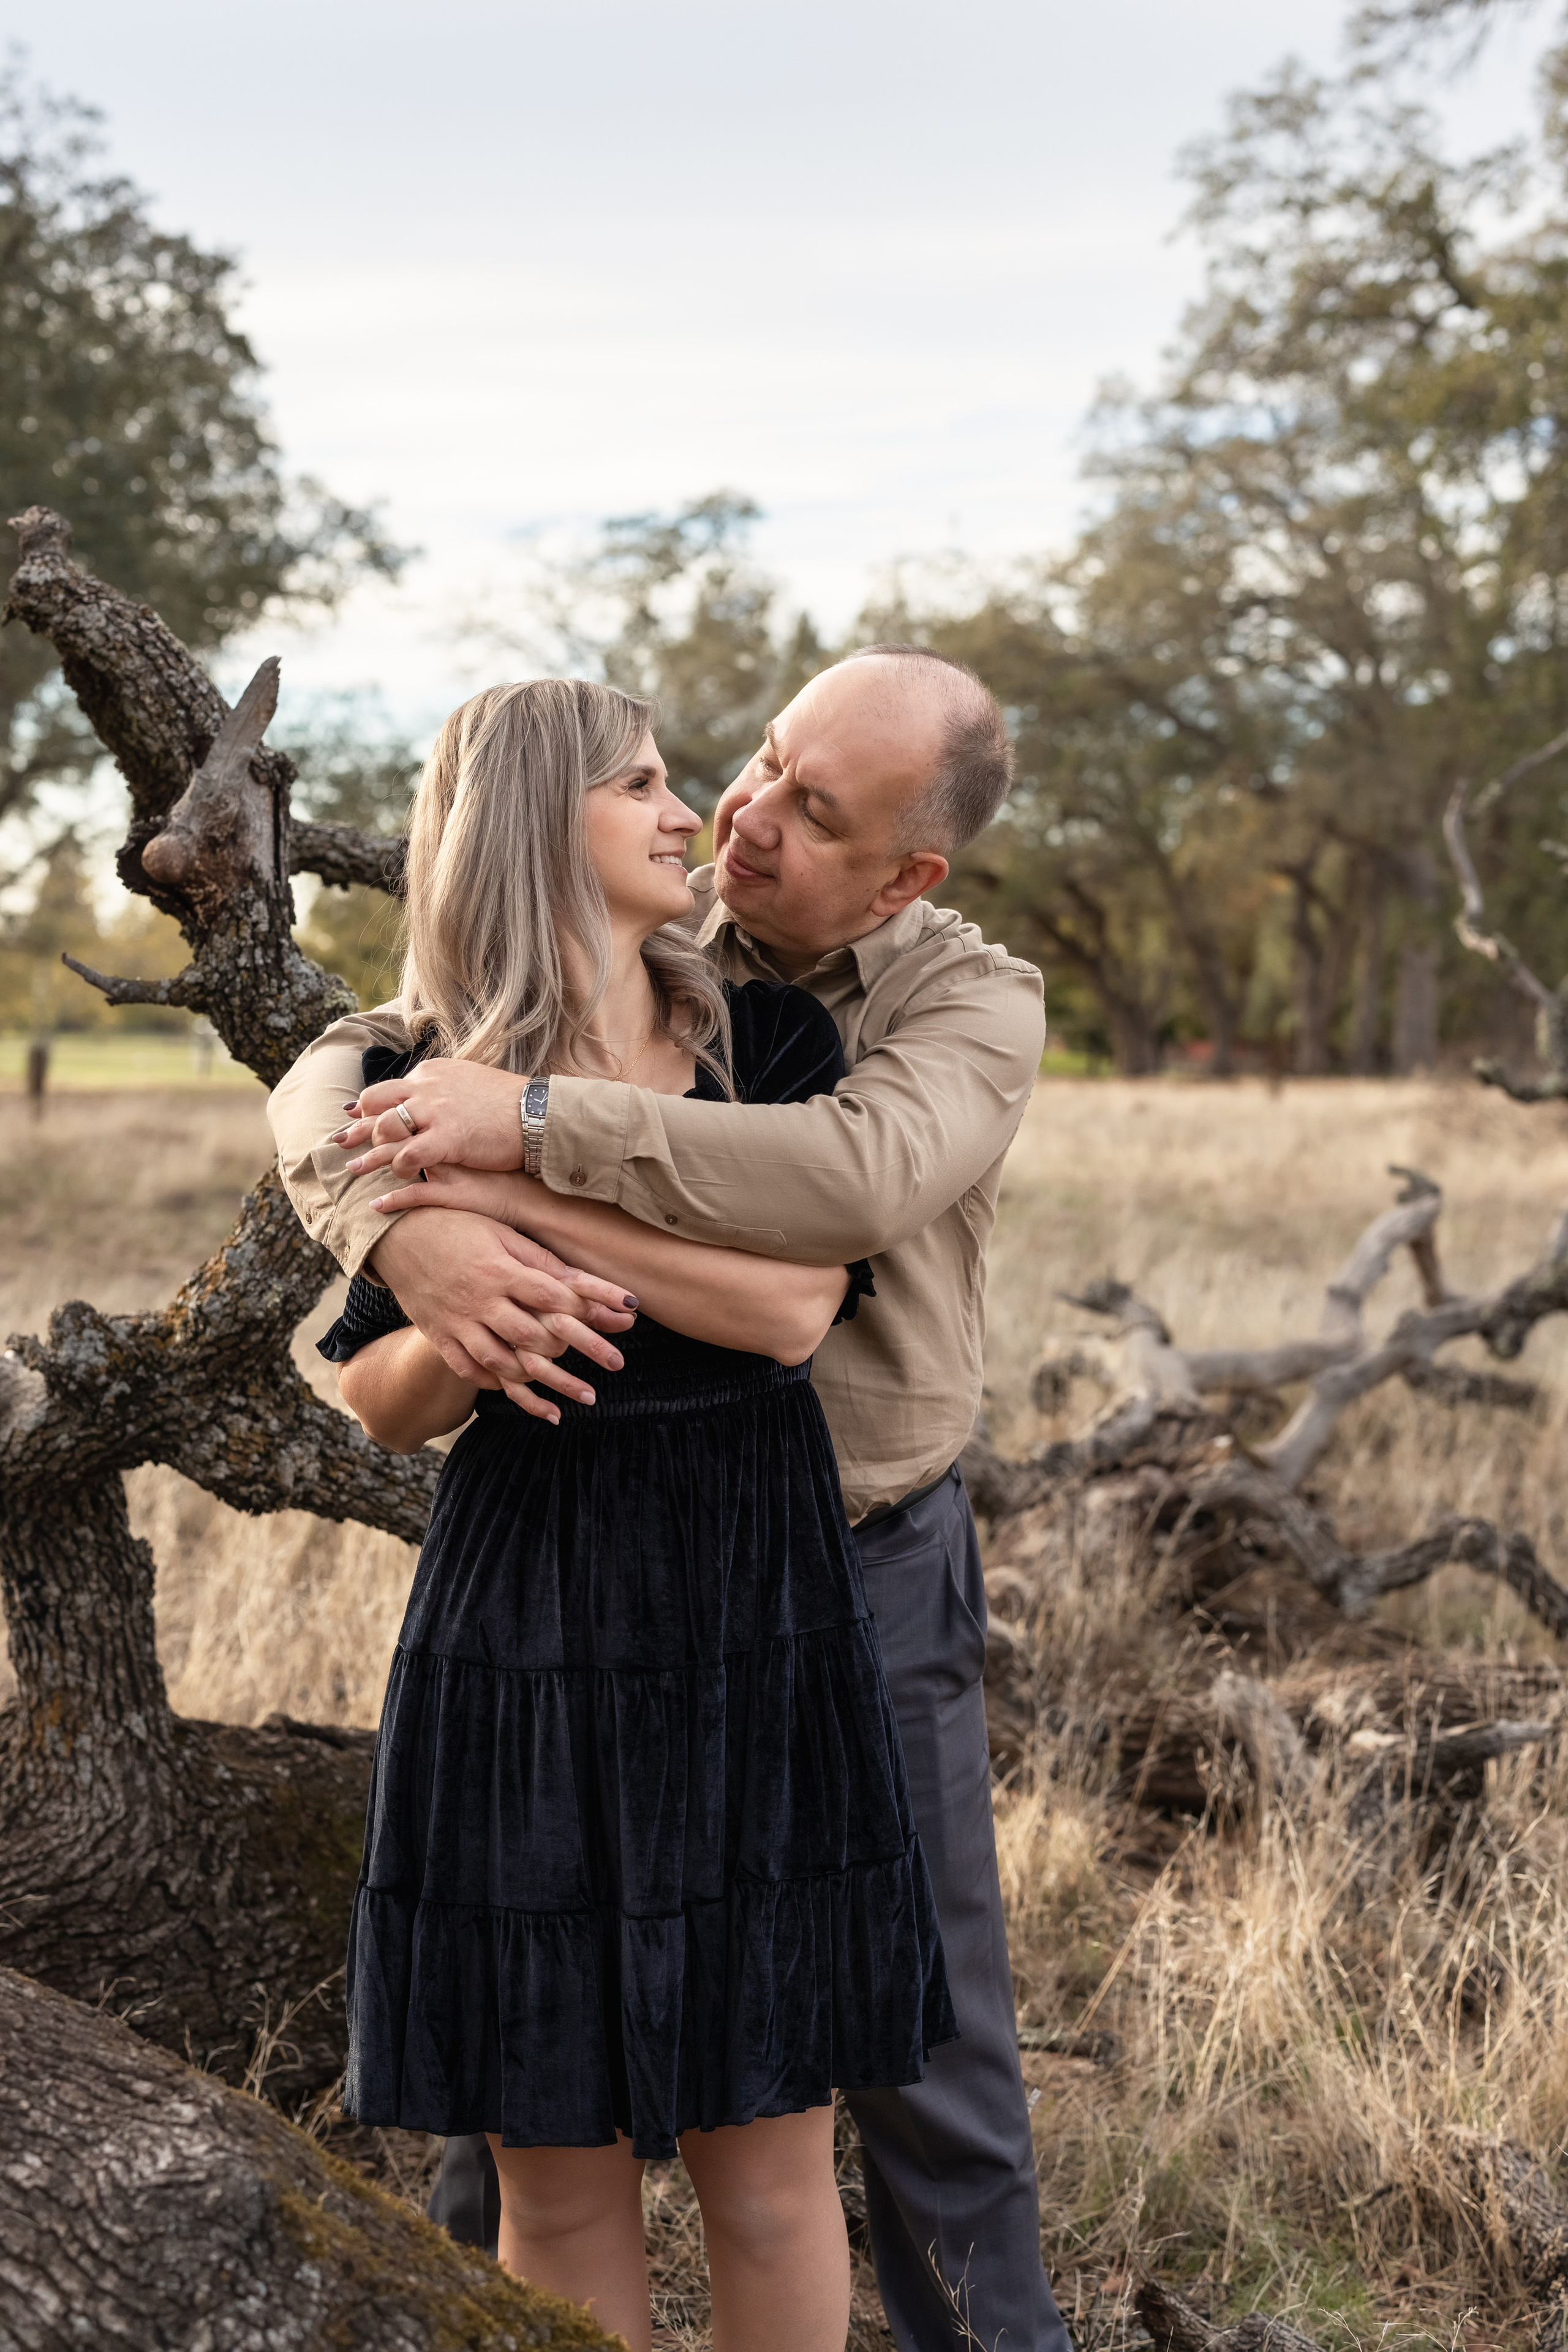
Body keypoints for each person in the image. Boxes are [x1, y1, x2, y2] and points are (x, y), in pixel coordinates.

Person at [269, 646, 1074, 2352]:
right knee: (534, 2117)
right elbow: (330, 1084)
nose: (742, 813)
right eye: (759, 763)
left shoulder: (953, 1003)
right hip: (552, 1575)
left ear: (907, 872)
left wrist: (524, 1144)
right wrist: (407, 1227)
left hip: (845, 1551)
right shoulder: (656, 937)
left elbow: (839, 1206)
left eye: (814, 807)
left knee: (913, 2052)